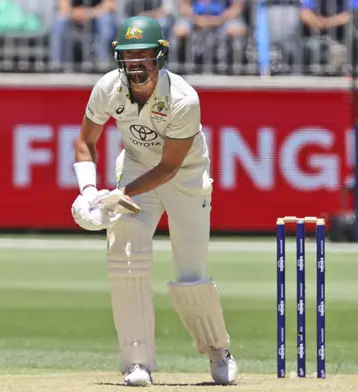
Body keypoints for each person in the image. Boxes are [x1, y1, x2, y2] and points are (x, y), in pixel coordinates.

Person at [69, 15, 237, 387]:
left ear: (160, 55)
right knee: (125, 258)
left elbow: (170, 167)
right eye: (128, 55)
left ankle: (217, 349)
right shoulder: (109, 88)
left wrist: (118, 196)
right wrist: (87, 193)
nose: (135, 63)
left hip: (186, 176)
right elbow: (85, 142)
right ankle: (136, 362)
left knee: (191, 274)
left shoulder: (183, 99)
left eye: (143, 54)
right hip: (135, 168)